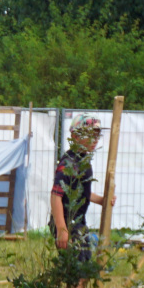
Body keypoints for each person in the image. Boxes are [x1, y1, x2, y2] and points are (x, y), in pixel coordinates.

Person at [50, 113, 109, 266]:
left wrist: (103, 200)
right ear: (75, 136)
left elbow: (82, 193)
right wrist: (62, 228)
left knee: (80, 270)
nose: (94, 140)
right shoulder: (68, 163)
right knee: (80, 271)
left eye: (97, 136)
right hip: (67, 222)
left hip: (78, 222)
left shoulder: (83, 161)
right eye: (90, 135)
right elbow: (56, 196)